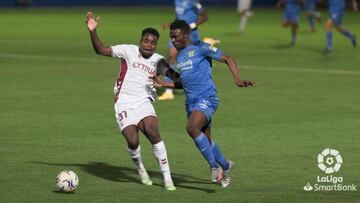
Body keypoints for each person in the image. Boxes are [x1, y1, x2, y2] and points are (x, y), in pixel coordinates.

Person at [155, 20, 256, 188]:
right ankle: (226, 166)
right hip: (191, 103)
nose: (173, 40)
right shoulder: (180, 57)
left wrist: (237, 80)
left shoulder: (201, 47)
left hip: (207, 98)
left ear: (186, 35)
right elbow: (184, 83)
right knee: (206, 141)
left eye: (176, 36)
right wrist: (165, 84)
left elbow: (228, 58)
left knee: (192, 128)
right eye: (171, 37)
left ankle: (214, 168)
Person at [85, 11, 176, 191]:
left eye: (153, 42)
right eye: (146, 41)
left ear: (156, 44)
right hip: (124, 102)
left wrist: (174, 80)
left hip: (144, 100)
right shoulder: (128, 50)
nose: (149, 45)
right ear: (140, 40)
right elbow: (100, 49)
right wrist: (92, 31)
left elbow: (175, 76)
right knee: (133, 141)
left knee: (153, 132)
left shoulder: (159, 61)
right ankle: (140, 167)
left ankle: (167, 177)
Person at [158, 0, 210, 101]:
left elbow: (204, 16)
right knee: (172, 56)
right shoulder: (177, 1)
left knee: (193, 60)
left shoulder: (193, 2)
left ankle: (197, 85)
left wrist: (191, 26)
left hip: (191, 35)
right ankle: (169, 92)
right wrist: (172, 24)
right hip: (177, 33)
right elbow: (179, 18)